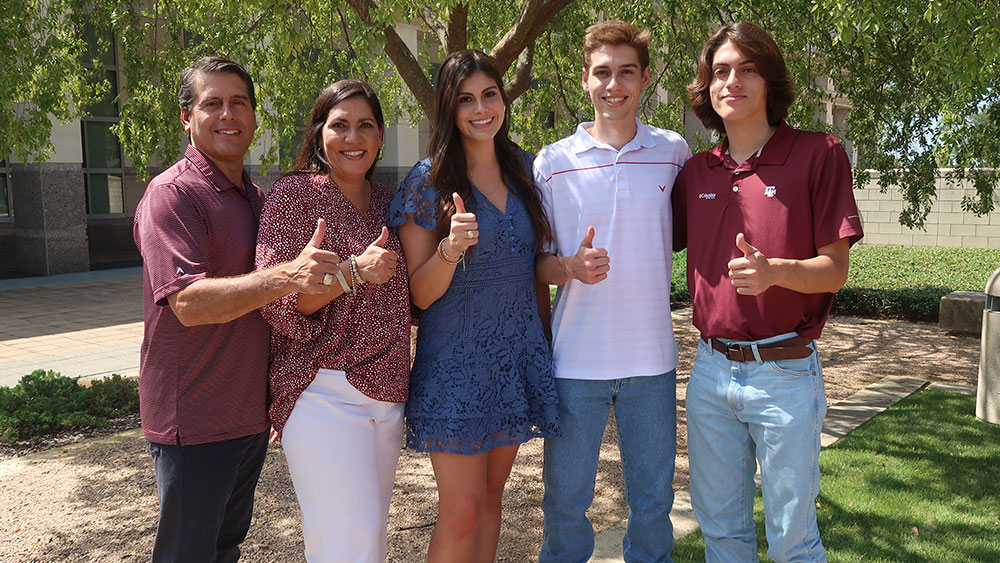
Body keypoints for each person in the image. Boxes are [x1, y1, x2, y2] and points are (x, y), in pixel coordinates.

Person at [133, 56, 344, 562]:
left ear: (254, 115)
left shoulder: (253, 197)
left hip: (246, 416)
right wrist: (288, 275)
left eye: (239, 103)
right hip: (195, 419)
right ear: (187, 117)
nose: (228, 114)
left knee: (224, 549)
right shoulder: (173, 194)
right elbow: (187, 303)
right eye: (213, 104)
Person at [672, 22, 864, 562]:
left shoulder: (819, 153)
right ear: (707, 87)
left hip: (785, 374)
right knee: (722, 535)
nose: (732, 81)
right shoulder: (695, 172)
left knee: (792, 541)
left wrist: (777, 271)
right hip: (709, 374)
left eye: (747, 69)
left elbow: (835, 270)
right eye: (720, 71)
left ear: (769, 82)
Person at [388, 49, 560, 562]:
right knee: (460, 510)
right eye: (466, 99)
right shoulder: (427, 181)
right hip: (455, 367)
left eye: (489, 95)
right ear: (448, 108)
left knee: (491, 503)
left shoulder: (527, 168)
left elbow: (536, 270)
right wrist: (450, 249)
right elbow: (418, 293)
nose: (481, 108)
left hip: (514, 358)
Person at [534, 20, 691, 563]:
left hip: (651, 361)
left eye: (626, 71)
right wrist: (571, 267)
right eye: (602, 72)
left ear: (644, 78)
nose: (614, 84)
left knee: (652, 504)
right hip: (575, 361)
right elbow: (537, 266)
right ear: (584, 79)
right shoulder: (551, 163)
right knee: (564, 505)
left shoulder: (674, 151)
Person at [255, 79, 411, 562]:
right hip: (323, 391)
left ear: (381, 136)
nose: (353, 138)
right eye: (339, 125)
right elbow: (278, 303)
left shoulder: (391, 202)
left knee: (366, 539)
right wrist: (351, 273)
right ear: (319, 133)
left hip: (387, 394)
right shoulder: (295, 196)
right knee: (352, 543)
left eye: (365, 126)